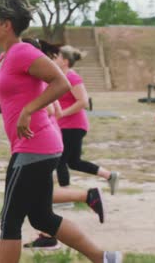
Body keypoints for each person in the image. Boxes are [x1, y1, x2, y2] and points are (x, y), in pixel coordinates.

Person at [0, 0, 121, 263]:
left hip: (36, 146)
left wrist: (28, 110)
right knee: (41, 216)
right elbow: (19, 94)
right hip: (32, 146)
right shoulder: (6, 57)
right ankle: (105, 258)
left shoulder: (23, 52)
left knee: (10, 220)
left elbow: (61, 83)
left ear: (6, 25)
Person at [19, 39, 105, 251]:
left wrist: (29, 111)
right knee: (38, 193)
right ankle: (49, 235)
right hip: (46, 138)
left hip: (44, 140)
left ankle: (87, 196)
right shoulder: (45, 78)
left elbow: (55, 109)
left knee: (32, 193)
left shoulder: (49, 78)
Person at [52, 45, 120, 196]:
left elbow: (83, 102)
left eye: (56, 57)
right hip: (65, 125)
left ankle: (66, 197)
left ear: (64, 61)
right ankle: (110, 176)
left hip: (73, 125)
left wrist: (62, 113)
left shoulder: (72, 77)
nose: (53, 59)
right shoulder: (59, 77)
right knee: (74, 162)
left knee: (60, 160)